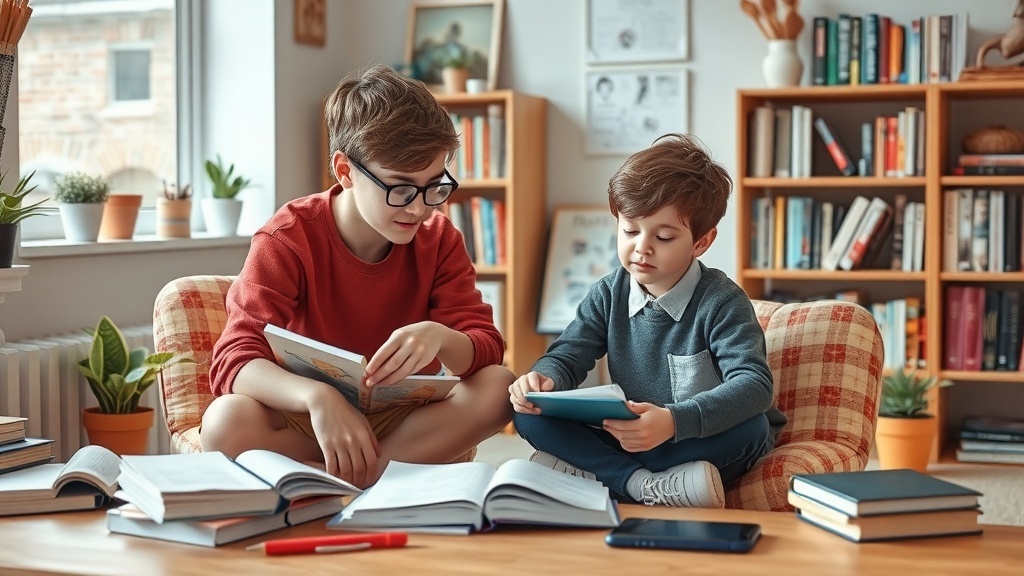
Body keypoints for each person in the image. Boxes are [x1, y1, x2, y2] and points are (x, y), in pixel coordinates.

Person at [203, 64, 513, 488]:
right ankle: (382, 474)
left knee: (499, 388)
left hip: (404, 420)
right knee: (224, 422)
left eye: (435, 186)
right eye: (400, 189)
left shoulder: (439, 239)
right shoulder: (288, 238)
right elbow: (234, 358)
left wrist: (441, 338)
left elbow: (486, 348)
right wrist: (317, 396)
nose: (420, 208)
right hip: (312, 419)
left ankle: (356, 477)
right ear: (345, 171)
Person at [509, 133, 787, 508]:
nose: (642, 247)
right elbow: (566, 357)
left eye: (665, 236)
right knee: (526, 411)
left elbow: (754, 386)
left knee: (753, 429)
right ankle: (642, 485)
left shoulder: (722, 301)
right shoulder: (608, 293)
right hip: (631, 437)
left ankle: (597, 475)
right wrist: (543, 378)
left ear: (701, 242)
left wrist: (674, 421)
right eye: (629, 230)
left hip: (693, 435)